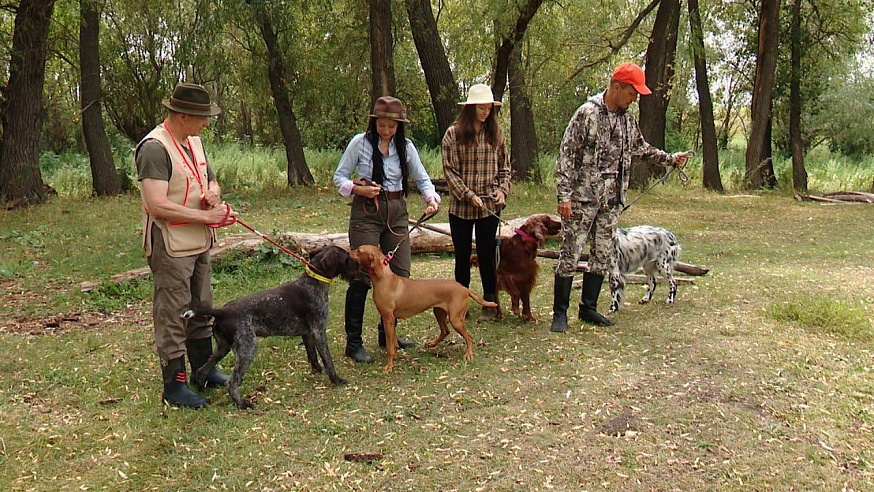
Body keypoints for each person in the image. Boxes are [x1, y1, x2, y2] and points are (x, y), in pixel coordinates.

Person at [550, 62, 690, 333]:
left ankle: (588, 309)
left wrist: (670, 159)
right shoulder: (586, 114)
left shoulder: (627, 119)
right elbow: (566, 156)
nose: (635, 98)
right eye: (632, 92)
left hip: (611, 201)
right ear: (616, 87)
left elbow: (640, 148)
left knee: (602, 255)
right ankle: (560, 313)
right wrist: (564, 196)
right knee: (571, 253)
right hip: (581, 199)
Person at [136, 82, 238, 408]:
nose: (206, 123)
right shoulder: (154, 148)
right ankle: (174, 385)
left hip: (197, 240)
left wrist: (214, 194)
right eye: (202, 117)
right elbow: (156, 204)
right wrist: (206, 217)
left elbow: (211, 178)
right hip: (171, 244)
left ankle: (203, 371)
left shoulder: (194, 141)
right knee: (174, 312)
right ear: (183, 116)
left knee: (201, 304)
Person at [333, 96, 441, 363]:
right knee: (362, 273)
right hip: (367, 213)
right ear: (374, 122)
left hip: (396, 211)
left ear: (399, 126)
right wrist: (358, 189)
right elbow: (339, 177)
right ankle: (354, 343)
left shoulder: (406, 147)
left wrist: (431, 198)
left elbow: (422, 177)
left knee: (399, 271)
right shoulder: (360, 143)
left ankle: (388, 334)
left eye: (392, 127)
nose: (386, 131)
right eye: (382, 125)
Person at [441, 84, 511, 320]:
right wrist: (468, 195)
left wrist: (502, 191)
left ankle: (490, 302)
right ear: (471, 109)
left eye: (488, 108)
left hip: (489, 205)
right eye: (481, 107)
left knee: (487, 253)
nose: (485, 112)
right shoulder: (453, 134)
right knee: (462, 256)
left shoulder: (497, 135)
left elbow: (505, 168)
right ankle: (460, 303)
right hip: (461, 207)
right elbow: (449, 172)